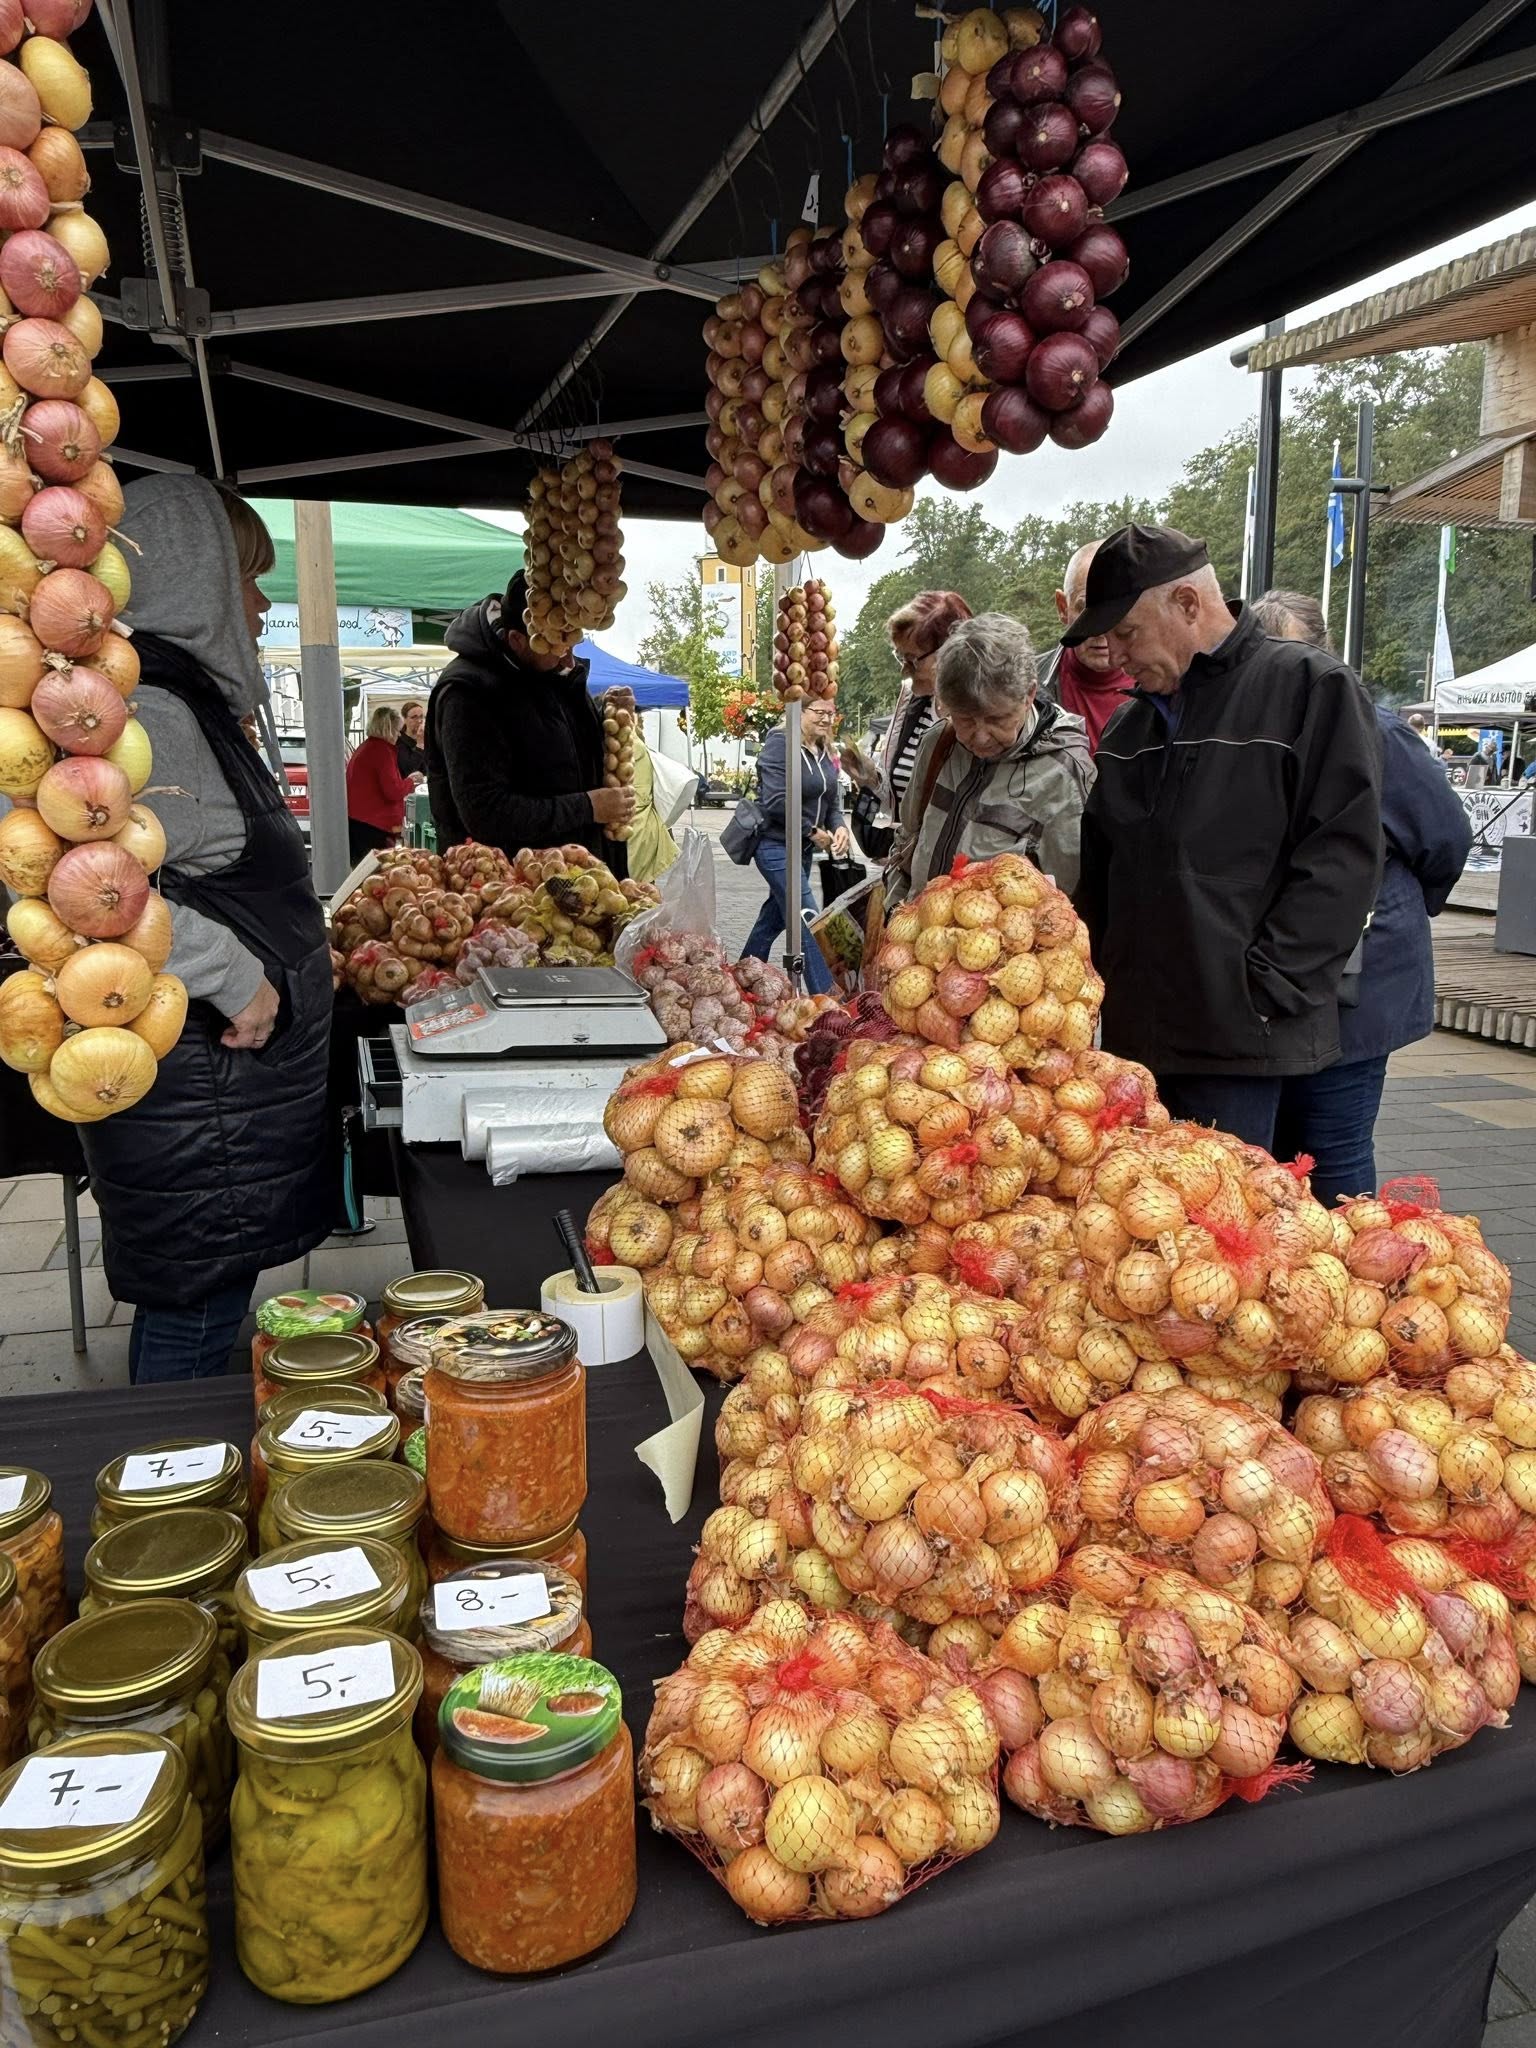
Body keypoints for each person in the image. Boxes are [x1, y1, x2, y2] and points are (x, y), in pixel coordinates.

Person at [78, 478, 334, 1382]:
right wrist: (239, 975)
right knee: (194, 1313)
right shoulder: (149, 711)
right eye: (247, 578)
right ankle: (166, 1500)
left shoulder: (164, 695)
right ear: (195, 582)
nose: (260, 604)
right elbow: (98, 895)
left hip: (213, 1086)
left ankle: (182, 1478)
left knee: (208, 1301)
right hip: (204, 1082)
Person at [1072, 525, 1383, 1149]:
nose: (1115, 653)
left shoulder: (1307, 687)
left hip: (1241, 1042)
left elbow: (1342, 856)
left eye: (1126, 631)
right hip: (1140, 1043)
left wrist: (1267, 987)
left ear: (1187, 604)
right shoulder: (1131, 726)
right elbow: (1102, 870)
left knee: (1223, 1228)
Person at [1252, 592, 1472, 1205]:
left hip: (1359, 990)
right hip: (1281, 986)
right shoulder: (1256, 731)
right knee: (1273, 1159)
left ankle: (1353, 1284)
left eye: (1294, 657)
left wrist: (1392, 910)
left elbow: (1445, 838)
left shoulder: (1380, 735)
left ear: (1324, 656)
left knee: (1335, 1151)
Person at [425, 568, 632, 869]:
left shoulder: (546, 670)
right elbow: (487, 812)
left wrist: (604, 713)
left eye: (573, 643)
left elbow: (553, 749)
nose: (569, 660)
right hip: (508, 892)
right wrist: (588, 807)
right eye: (558, 645)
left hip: (576, 880)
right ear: (517, 640)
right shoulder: (467, 694)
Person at [887, 612, 1093, 903]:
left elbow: (1069, 903)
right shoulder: (938, 743)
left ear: (1029, 695)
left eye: (997, 718)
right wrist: (893, 915)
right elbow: (906, 843)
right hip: (917, 937)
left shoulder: (1063, 775)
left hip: (1000, 947)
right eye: (965, 719)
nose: (980, 737)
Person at [742, 697, 846, 994]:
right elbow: (776, 801)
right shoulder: (780, 744)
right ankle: (825, 998)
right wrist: (813, 831)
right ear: (799, 712)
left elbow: (832, 802)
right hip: (775, 846)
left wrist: (838, 828)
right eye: (819, 712)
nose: (826, 719)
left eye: (831, 712)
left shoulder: (825, 751)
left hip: (802, 850)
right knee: (807, 918)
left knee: (772, 919)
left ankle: (743, 977)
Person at [1038, 540, 1135, 752]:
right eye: (1086, 609)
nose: (1100, 630)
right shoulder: (1029, 684)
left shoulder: (1166, 682)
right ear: (1063, 607)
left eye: (1113, 610)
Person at [345, 705, 412, 864]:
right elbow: (393, 791)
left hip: (360, 822)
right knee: (375, 874)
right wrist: (411, 782)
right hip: (373, 825)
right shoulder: (382, 751)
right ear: (388, 729)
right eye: (397, 731)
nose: (398, 736)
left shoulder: (367, 747)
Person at [396, 699, 428, 781]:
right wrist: (420, 744)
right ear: (404, 719)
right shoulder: (399, 741)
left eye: (421, 716)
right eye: (414, 717)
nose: (419, 721)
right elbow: (409, 770)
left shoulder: (427, 738)